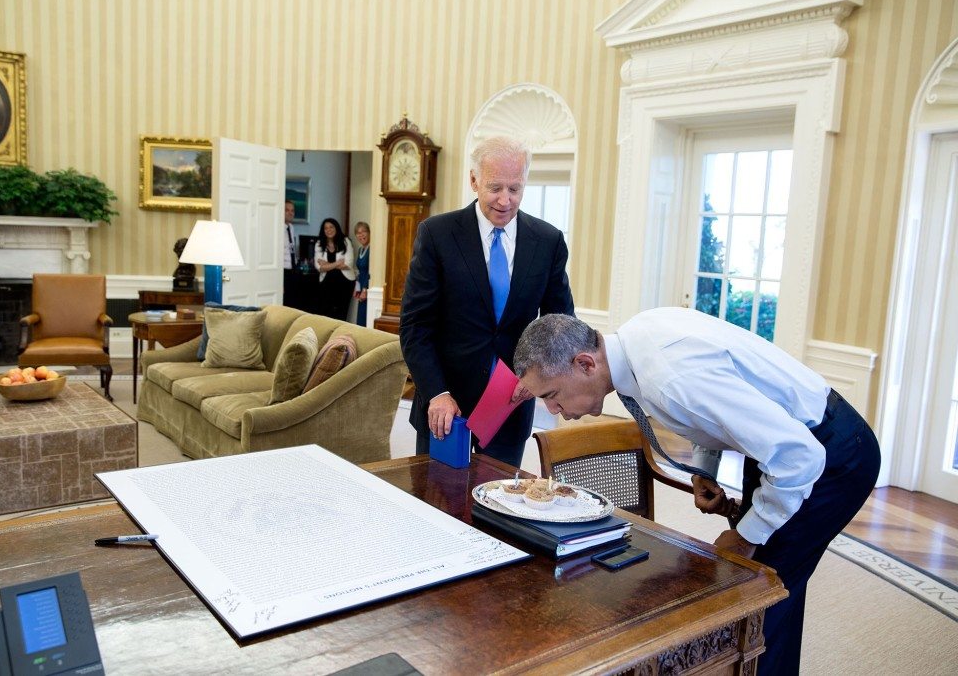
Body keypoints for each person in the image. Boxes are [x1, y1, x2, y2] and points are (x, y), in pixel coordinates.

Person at [513, 310, 880, 676]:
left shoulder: (670, 379)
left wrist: (746, 536)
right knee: (773, 590)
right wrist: (706, 468)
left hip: (829, 456)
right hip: (780, 450)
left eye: (552, 395)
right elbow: (717, 403)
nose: (551, 409)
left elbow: (800, 457)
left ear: (585, 364)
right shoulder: (635, 340)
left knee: (758, 597)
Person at [399, 136, 574, 468]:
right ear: (474, 180)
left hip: (511, 403)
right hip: (445, 405)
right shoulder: (437, 235)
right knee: (438, 502)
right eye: (495, 188)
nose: (505, 200)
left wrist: (538, 376)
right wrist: (436, 391)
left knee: (499, 506)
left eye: (515, 189)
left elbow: (560, 323)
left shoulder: (548, 241)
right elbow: (415, 327)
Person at [314, 217, 355, 321]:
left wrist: (327, 264)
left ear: (336, 228)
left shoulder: (345, 241)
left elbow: (348, 264)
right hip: (326, 283)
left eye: (331, 227)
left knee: (341, 313)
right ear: (323, 231)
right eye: (326, 228)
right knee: (326, 313)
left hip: (345, 283)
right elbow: (319, 267)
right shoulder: (319, 244)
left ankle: (340, 336)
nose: (329, 230)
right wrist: (337, 263)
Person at [353, 221, 371, 326]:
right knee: (360, 318)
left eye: (364, 231)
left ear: (369, 233)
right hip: (361, 286)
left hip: (367, 287)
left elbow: (370, 271)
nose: (361, 235)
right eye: (358, 233)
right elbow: (360, 272)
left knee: (365, 318)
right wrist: (357, 288)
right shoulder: (360, 249)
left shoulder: (371, 249)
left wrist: (365, 289)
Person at [283, 201, 300, 308]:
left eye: (292, 210)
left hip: (292, 270)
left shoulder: (291, 227)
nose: (290, 213)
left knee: (292, 304)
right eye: (287, 210)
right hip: (283, 271)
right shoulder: (277, 228)